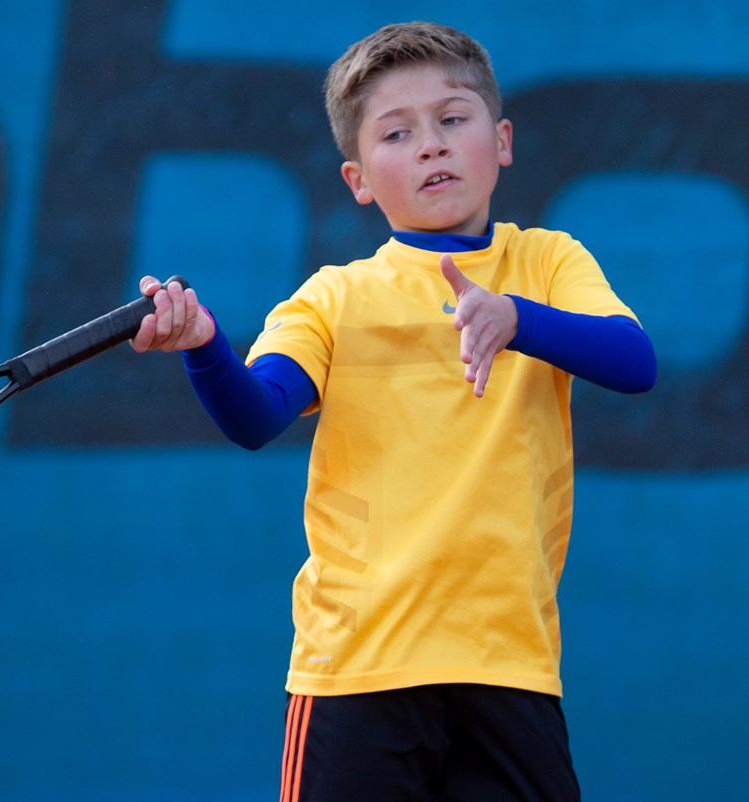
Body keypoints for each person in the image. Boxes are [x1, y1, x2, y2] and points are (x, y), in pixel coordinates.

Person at [130, 21, 656, 802]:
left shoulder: (549, 263)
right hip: (355, 672)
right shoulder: (333, 299)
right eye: (398, 133)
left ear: (501, 140)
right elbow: (255, 416)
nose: (432, 146)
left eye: (453, 119)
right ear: (359, 180)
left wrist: (517, 318)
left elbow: (634, 362)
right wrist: (206, 347)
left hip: (508, 665)